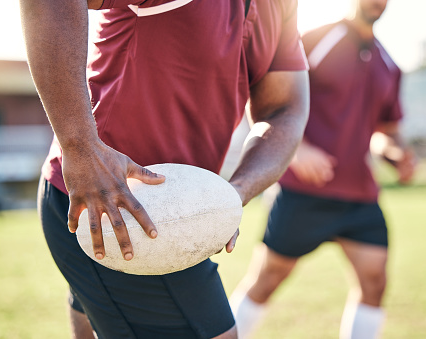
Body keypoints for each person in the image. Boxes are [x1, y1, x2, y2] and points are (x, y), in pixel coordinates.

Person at [19, 0, 309, 338]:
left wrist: (231, 195)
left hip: (173, 216)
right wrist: (79, 146)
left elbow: (284, 108)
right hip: (109, 207)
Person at [229, 0, 415, 338]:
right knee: (267, 280)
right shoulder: (312, 40)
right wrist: (295, 150)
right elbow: (259, 93)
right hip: (303, 191)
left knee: (374, 282)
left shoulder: (389, 64)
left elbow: (385, 133)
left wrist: (396, 154)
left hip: (360, 195)